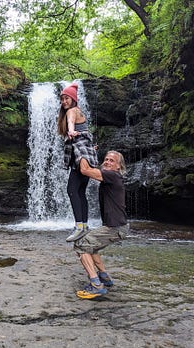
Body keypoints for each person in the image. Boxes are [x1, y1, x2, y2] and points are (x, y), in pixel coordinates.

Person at [71, 150, 129, 299]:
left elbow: (85, 170)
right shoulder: (111, 177)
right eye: (106, 159)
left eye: (112, 161)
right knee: (91, 246)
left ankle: (96, 285)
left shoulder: (112, 175)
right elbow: (94, 170)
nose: (108, 162)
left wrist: (82, 151)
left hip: (115, 228)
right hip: (118, 227)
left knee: (81, 244)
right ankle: (104, 277)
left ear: (118, 166)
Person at [57, 82, 97, 242]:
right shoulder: (78, 111)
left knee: (72, 190)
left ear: (73, 99)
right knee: (80, 192)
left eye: (67, 98)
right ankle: (85, 226)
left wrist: (71, 130)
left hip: (81, 155)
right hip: (84, 154)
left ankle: (79, 227)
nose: (64, 101)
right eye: (62, 99)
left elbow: (72, 121)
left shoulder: (72, 111)